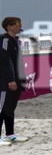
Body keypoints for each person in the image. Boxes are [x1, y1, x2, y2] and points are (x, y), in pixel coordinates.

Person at [0, 17, 28, 145]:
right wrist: (10, 80)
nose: (20, 26)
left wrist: (21, 79)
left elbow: (17, 63)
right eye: (17, 24)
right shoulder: (4, 40)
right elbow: (4, 61)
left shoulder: (15, 41)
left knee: (10, 108)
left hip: (16, 81)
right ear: (9, 26)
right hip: (5, 82)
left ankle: (10, 134)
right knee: (1, 108)